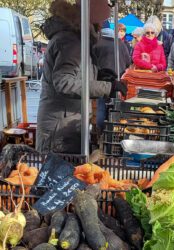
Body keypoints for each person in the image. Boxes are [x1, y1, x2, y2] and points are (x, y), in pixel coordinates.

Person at [36, 0, 127, 154]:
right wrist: (107, 87)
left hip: (66, 120)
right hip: (59, 126)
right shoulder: (70, 40)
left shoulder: (77, 36)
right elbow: (64, 82)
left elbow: (77, 72)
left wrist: (100, 76)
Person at [93, 28, 132, 135]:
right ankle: (113, 130)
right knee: (115, 106)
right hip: (117, 79)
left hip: (100, 79)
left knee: (101, 105)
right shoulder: (121, 44)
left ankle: (100, 131)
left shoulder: (97, 44)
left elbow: (91, 61)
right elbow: (128, 62)